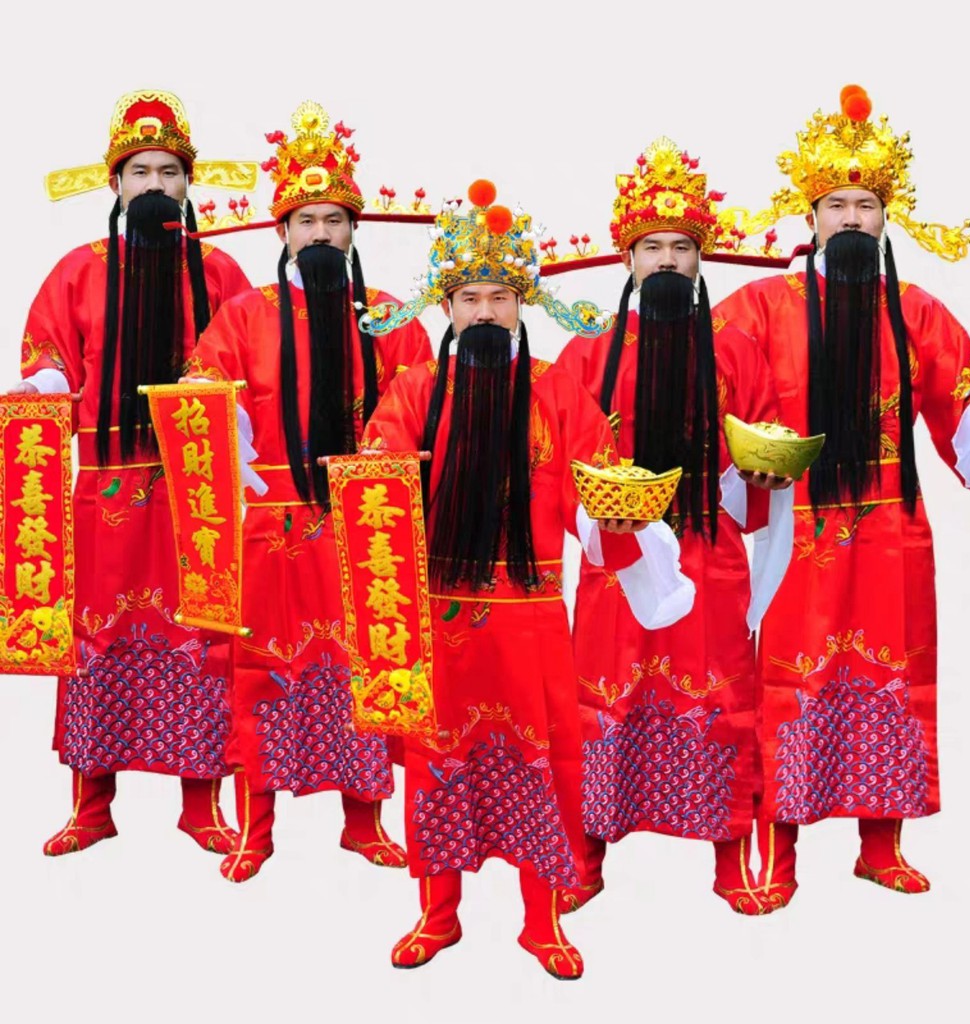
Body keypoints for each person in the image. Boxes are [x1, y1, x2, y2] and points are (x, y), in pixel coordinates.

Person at [360, 179, 689, 978]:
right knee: (440, 761)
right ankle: (438, 913)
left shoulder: (553, 390)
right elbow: (375, 487)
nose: (485, 313)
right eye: (470, 298)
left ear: (521, 306)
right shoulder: (415, 390)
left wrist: (618, 518)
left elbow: (598, 484)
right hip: (439, 616)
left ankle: (542, 920)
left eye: (500, 299)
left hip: (531, 614)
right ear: (446, 307)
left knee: (542, 760)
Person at [713, 85, 970, 910]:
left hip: (890, 527)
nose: (852, 219)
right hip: (796, 526)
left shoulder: (915, 311)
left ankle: (880, 847)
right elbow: (706, 396)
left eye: (866, 206)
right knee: (789, 683)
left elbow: (965, 411)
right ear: (810, 216)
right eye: (837, 206)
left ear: (887, 218)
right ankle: (779, 852)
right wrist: (741, 465)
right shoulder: (759, 309)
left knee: (895, 679)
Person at [185, 101, 432, 882]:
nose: (320, 234)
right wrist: (232, 438)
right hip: (270, 531)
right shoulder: (242, 317)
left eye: (334, 221)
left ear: (354, 230)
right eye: (306, 221)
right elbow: (200, 399)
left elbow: (426, 407)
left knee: (369, 672)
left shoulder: (390, 318)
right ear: (283, 231)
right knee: (259, 673)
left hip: (366, 533)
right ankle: (256, 829)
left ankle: (364, 822)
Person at [556, 136, 793, 915]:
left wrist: (761, 478)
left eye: (680, 248)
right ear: (627, 259)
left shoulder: (736, 350)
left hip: (708, 551)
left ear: (700, 259)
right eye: (651, 248)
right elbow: (556, 455)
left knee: (723, 700)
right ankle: (584, 855)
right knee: (600, 702)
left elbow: (766, 442)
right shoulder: (588, 353)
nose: (665, 261)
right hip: (615, 561)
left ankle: (729, 859)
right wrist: (601, 513)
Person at [13, 89, 252, 857]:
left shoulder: (219, 271)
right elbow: (51, 355)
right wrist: (45, 385)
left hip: (196, 494)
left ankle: (201, 805)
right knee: (96, 640)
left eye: (168, 172)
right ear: (115, 183)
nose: (154, 184)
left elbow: (253, 359)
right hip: (105, 490)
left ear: (189, 183)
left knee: (201, 639)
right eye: (140, 172)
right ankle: (92, 804)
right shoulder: (77, 272)